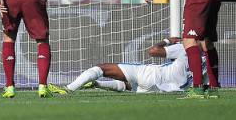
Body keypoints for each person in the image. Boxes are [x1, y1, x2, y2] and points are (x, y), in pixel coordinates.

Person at [48, 38, 204, 95]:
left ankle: (68, 89)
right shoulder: (207, 62)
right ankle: (96, 84)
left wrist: (168, 40)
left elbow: (153, 51)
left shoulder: (187, 48)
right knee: (128, 85)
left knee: (101, 68)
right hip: (164, 90)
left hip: (151, 75)